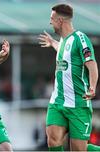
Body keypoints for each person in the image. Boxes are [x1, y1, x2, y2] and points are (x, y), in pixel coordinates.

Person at [38, 3, 99, 151]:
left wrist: (92, 87)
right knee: (53, 140)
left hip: (78, 104)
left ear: (60, 21)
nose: (49, 22)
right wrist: (53, 43)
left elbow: (92, 65)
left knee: (78, 149)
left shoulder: (80, 39)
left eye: (52, 18)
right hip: (58, 101)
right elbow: (64, 51)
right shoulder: (64, 41)